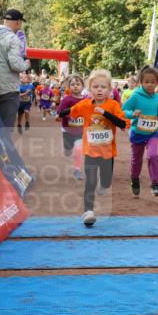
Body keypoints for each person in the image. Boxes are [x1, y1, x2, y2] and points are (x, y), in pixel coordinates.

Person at [60, 69, 127, 227]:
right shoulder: (85, 104)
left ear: (110, 90)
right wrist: (63, 112)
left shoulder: (113, 105)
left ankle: (104, 185)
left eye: (103, 87)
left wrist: (105, 113)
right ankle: (88, 212)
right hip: (90, 151)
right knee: (90, 182)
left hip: (108, 152)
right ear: (89, 89)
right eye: (96, 87)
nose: (99, 90)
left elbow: (123, 124)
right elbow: (73, 110)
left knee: (105, 180)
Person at [123, 67, 158, 197]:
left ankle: (155, 183)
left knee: (153, 155)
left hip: (153, 131)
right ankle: (135, 179)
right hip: (137, 133)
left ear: (157, 82)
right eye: (146, 81)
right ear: (141, 82)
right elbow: (123, 110)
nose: (150, 84)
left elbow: (157, 112)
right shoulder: (135, 96)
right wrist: (132, 114)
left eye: (153, 82)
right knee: (137, 160)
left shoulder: (157, 97)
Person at [0, 9, 31, 127]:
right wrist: (26, 65)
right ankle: (3, 146)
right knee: (5, 129)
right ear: (18, 22)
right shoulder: (13, 38)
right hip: (7, 90)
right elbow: (15, 64)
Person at [57, 75, 86, 181]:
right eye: (72, 84)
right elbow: (59, 112)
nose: (75, 86)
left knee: (79, 149)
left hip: (80, 130)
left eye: (78, 84)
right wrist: (70, 116)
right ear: (69, 86)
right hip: (67, 129)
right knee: (68, 151)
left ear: (83, 86)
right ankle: (67, 149)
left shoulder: (86, 99)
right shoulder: (67, 99)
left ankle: (77, 170)